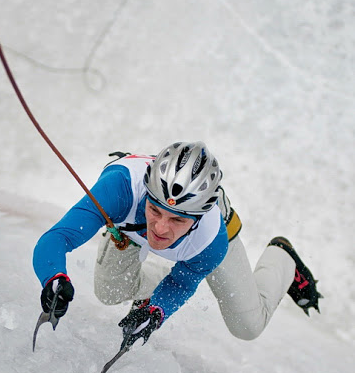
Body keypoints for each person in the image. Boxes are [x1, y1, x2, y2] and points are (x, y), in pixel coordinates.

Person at [33, 142, 321, 347]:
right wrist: (54, 277)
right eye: (156, 210)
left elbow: (182, 284)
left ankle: (282, 258)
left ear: (197, 218)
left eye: (177, 220)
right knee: (110, 293)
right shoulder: (119, 190)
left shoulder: (211, 240)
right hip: (132, 227)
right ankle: (159, 275)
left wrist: (158, 310)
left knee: (248, 327)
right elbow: (59, 237)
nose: (160, 228)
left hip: (197, 248)